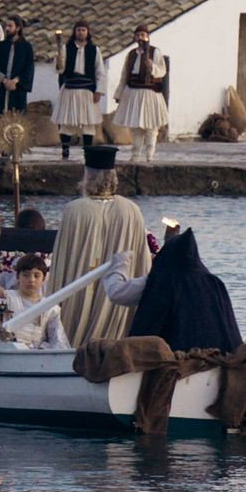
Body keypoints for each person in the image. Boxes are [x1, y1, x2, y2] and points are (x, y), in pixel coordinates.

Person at [51, 144, 152, 347]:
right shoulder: (131, 210)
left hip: (79, 291)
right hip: (117, 299)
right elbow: (142, 262)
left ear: (87, 176)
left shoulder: (75, 210)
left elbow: (61, 263)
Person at [109, 227, 243, 354]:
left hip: (176, 355)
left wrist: (120, 263)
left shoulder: (163, 281)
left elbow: (118, 293)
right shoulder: (214, 282)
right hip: (218, 353)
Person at [0, 254, 70, 350]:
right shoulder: (5, 298)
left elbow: (58, 340)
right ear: (18, 277)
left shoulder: (50, 307)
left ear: (43, 278)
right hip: (5, 351)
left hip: (36, 355)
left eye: (36, 276)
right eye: (26, 275)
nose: (31, 280)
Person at [115, 26, 171, 163]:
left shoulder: (155, 52)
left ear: (147, 36)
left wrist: (152, 66)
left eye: (143, 35)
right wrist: (119, 93)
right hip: (133, 93)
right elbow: (125, 75)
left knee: (151, 127)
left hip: (150, 93)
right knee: (136, 127)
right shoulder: (131, 54)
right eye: (138, 35)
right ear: (135, 37)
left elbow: (162, 71)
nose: (140, 37)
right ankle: (135, 155)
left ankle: (150, 156)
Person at [52, 20, 105, 159]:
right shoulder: (65, 48)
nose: (81, 32)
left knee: (88, 123)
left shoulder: (94, 50)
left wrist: (99, 91)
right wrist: (58, 62)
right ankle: (65, 150)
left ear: (87, 32)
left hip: (87, 90)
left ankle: (88, 151)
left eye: (83, 30)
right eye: (78, 30)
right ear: (74, 32)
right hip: (70, 88)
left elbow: (100, 72)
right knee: (66, 122)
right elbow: (60, 70)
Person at [0, 16, 35, 150]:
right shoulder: (0, 46)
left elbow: (29, 68)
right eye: (6, 26)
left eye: (10, 26)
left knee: (17, 120)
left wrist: (16, 81)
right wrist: (3, 79)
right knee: (0, 119)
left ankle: (16, 149)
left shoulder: (26, 47)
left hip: (17, 90)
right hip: (2, 89)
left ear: (18, 28)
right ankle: (2, 149)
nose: (7, 29)